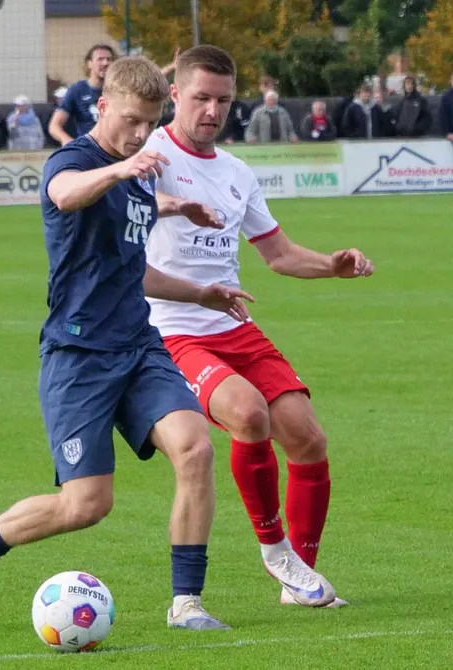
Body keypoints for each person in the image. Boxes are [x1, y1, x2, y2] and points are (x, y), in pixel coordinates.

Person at [0, 56, 256, 633]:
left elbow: (132, 266)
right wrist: (124, 169)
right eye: (132, 120)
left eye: (151, 124)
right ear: (103, 106)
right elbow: (66, 195)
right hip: (78, 355)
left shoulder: (142, 171)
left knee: (196, 448)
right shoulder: (75, 160)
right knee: (86, 505)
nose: (142, 134)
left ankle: (186, 603)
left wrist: (199, 290)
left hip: (138, 344)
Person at [144, 45, 375, 608]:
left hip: (235, 325)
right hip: (173, 330)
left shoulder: (236, 172)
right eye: (200, 98)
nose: (212, 111)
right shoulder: (145, 156)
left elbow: (278, 254)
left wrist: (332, 266)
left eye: (223, 100)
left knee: (308, 438)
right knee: (248, 414)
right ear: (175, 93)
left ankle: (300, 579)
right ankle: (276, 553)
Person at [49, 45, 116, 145]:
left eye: (109, 59)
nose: (106, 63)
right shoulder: (77, 90)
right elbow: (54, 126)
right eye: (100, 59)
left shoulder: (119, 90)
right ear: (89, 64)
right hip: (88, 150)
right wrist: (66, 140)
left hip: (115, 150)